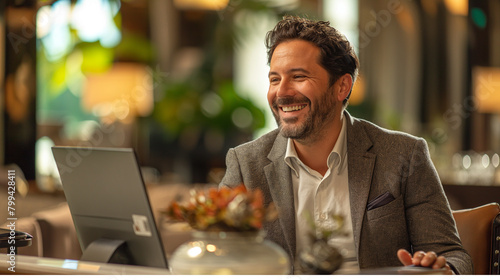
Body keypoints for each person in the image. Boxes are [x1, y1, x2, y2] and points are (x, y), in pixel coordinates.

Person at [219, 15, 472, 274]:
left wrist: (441, 268)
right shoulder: (246, 164)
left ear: (342, 87)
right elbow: (218, 255)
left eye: (298, 76)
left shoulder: (404, 156)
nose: (281, 92)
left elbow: (453, 255)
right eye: (274, 79)